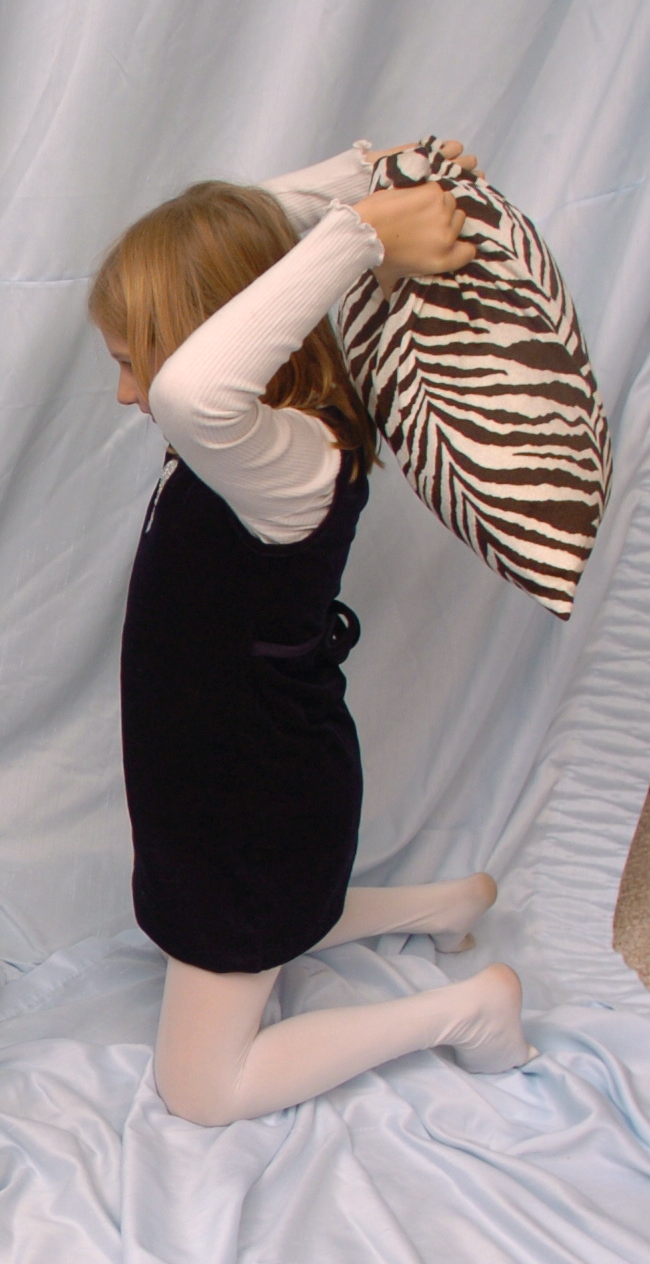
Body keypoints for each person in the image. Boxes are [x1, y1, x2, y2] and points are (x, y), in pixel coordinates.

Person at [86, 143, 533, 1128]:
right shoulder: (252, 429)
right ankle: (447, 904)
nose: (125, 392)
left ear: (203, 338)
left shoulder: (279, 453)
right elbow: (238, 232)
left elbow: (189, 388)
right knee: (265, 914)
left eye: (129, 360)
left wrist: (363, 233)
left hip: (255, 804)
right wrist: (369, 178)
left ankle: (468, 1008)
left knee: (201, 1091)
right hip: (229, 783)